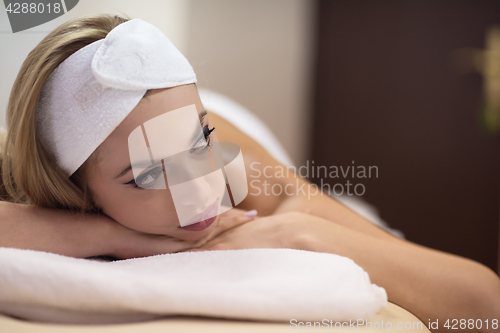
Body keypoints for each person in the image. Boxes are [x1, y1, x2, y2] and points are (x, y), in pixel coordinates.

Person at [0, 14, 498, 331]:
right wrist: (111, 236)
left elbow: (484, 305)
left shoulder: (239, 170)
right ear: (74, 192)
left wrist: (291, 231)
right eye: (148, 176)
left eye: (199, 144)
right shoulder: (41, 169)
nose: (199, 192)